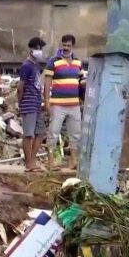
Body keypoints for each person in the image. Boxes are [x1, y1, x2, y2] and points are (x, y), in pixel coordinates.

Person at [44, 34, 83, 170]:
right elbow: (47, 82)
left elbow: (81, 81)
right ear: (61, 45)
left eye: (68, 45)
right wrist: (47, 101)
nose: (66, 48)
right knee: (53, 132)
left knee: (75, 133)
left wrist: (82, 99)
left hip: (74, 104)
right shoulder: (53, 61)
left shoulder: (78, 61)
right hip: (58, 104)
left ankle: (73, 160)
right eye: (64, 45)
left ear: (73, 46)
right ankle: (50, 162)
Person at [18, 37, 47, 172]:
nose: (39, 51)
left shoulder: (36, 65)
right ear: (30, 49)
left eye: (40, 48)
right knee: (28, 135)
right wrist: (20, 102)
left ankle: (33, 161)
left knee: (40, 133)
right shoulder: (27, 65)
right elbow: (21, 86)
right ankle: (28, 163)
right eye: (36, 48)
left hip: (36, 103)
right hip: (28, 103)